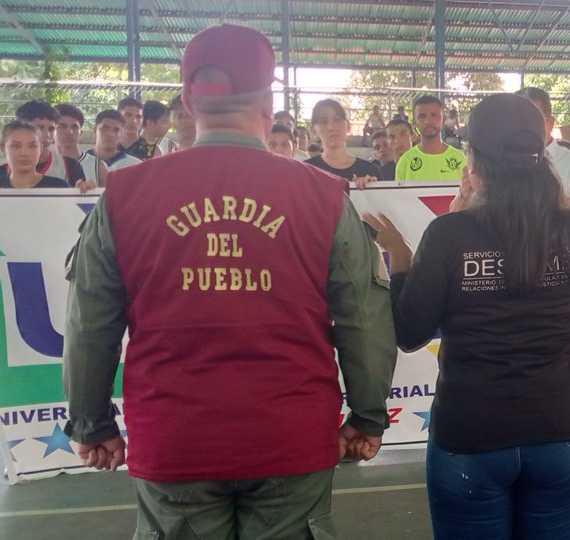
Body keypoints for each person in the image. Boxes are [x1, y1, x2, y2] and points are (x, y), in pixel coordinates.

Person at [62, 24, 397, 540]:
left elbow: (89, 324)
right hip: (290, 436)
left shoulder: (125, 195)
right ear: (267, 101)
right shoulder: (324, 196)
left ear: (189, 101)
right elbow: (363, 319)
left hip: (175, 440)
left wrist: (91, 424)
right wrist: (368, 415)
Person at [364, 92, 570, 540]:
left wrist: (402, 257)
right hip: (558, 432)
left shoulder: (449, 234)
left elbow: (410, 332)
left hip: (470, 436)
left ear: (473, 158)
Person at [516, 87, 570, 222]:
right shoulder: (499, 161)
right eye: (518, 121)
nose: (525, 128)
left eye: (533, 120)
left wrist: (559, 201)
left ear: (550, 123)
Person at [0, 100, 88, 187]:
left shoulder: (70, 166)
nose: (46, 134)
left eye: (51, 129)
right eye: (39, 128)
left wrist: (86, 191)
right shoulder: (1, 173)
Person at [304, 99, 383, 187]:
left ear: (348, 126)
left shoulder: (370, 171)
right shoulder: (305, 171)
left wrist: (371, 190)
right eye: (323, 122)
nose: (331, 127)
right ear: (314, 130)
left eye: (337, 120)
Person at [0, 122, 74, 188]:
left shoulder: (58, 187)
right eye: (16, 146)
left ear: (41, 149)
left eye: (32, 146)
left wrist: (83, 194)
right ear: (3, 148)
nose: (24, 153)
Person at [395, 95, 465, 182]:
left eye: (434, 115)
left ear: (443, 119)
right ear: (414, 122)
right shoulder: (405, 161)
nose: (428, 121)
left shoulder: (460, 159)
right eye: (422, 116)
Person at [78, 110, 142, 187]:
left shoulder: (135, 165)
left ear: (122, 134)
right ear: (95, 131)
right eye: (105, 128)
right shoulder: (79, 163)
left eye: (116, 130)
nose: (110, 134)